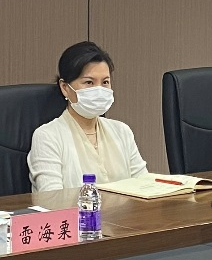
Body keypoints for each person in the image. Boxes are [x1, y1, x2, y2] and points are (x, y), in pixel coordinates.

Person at [28, 41, 147, 192]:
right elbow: (52, 199)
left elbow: (145, 187)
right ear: (65, 88)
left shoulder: (122, 131)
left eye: (105, 82)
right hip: (75, 209)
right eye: (89, 82)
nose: (99, 90)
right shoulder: (47, 136)